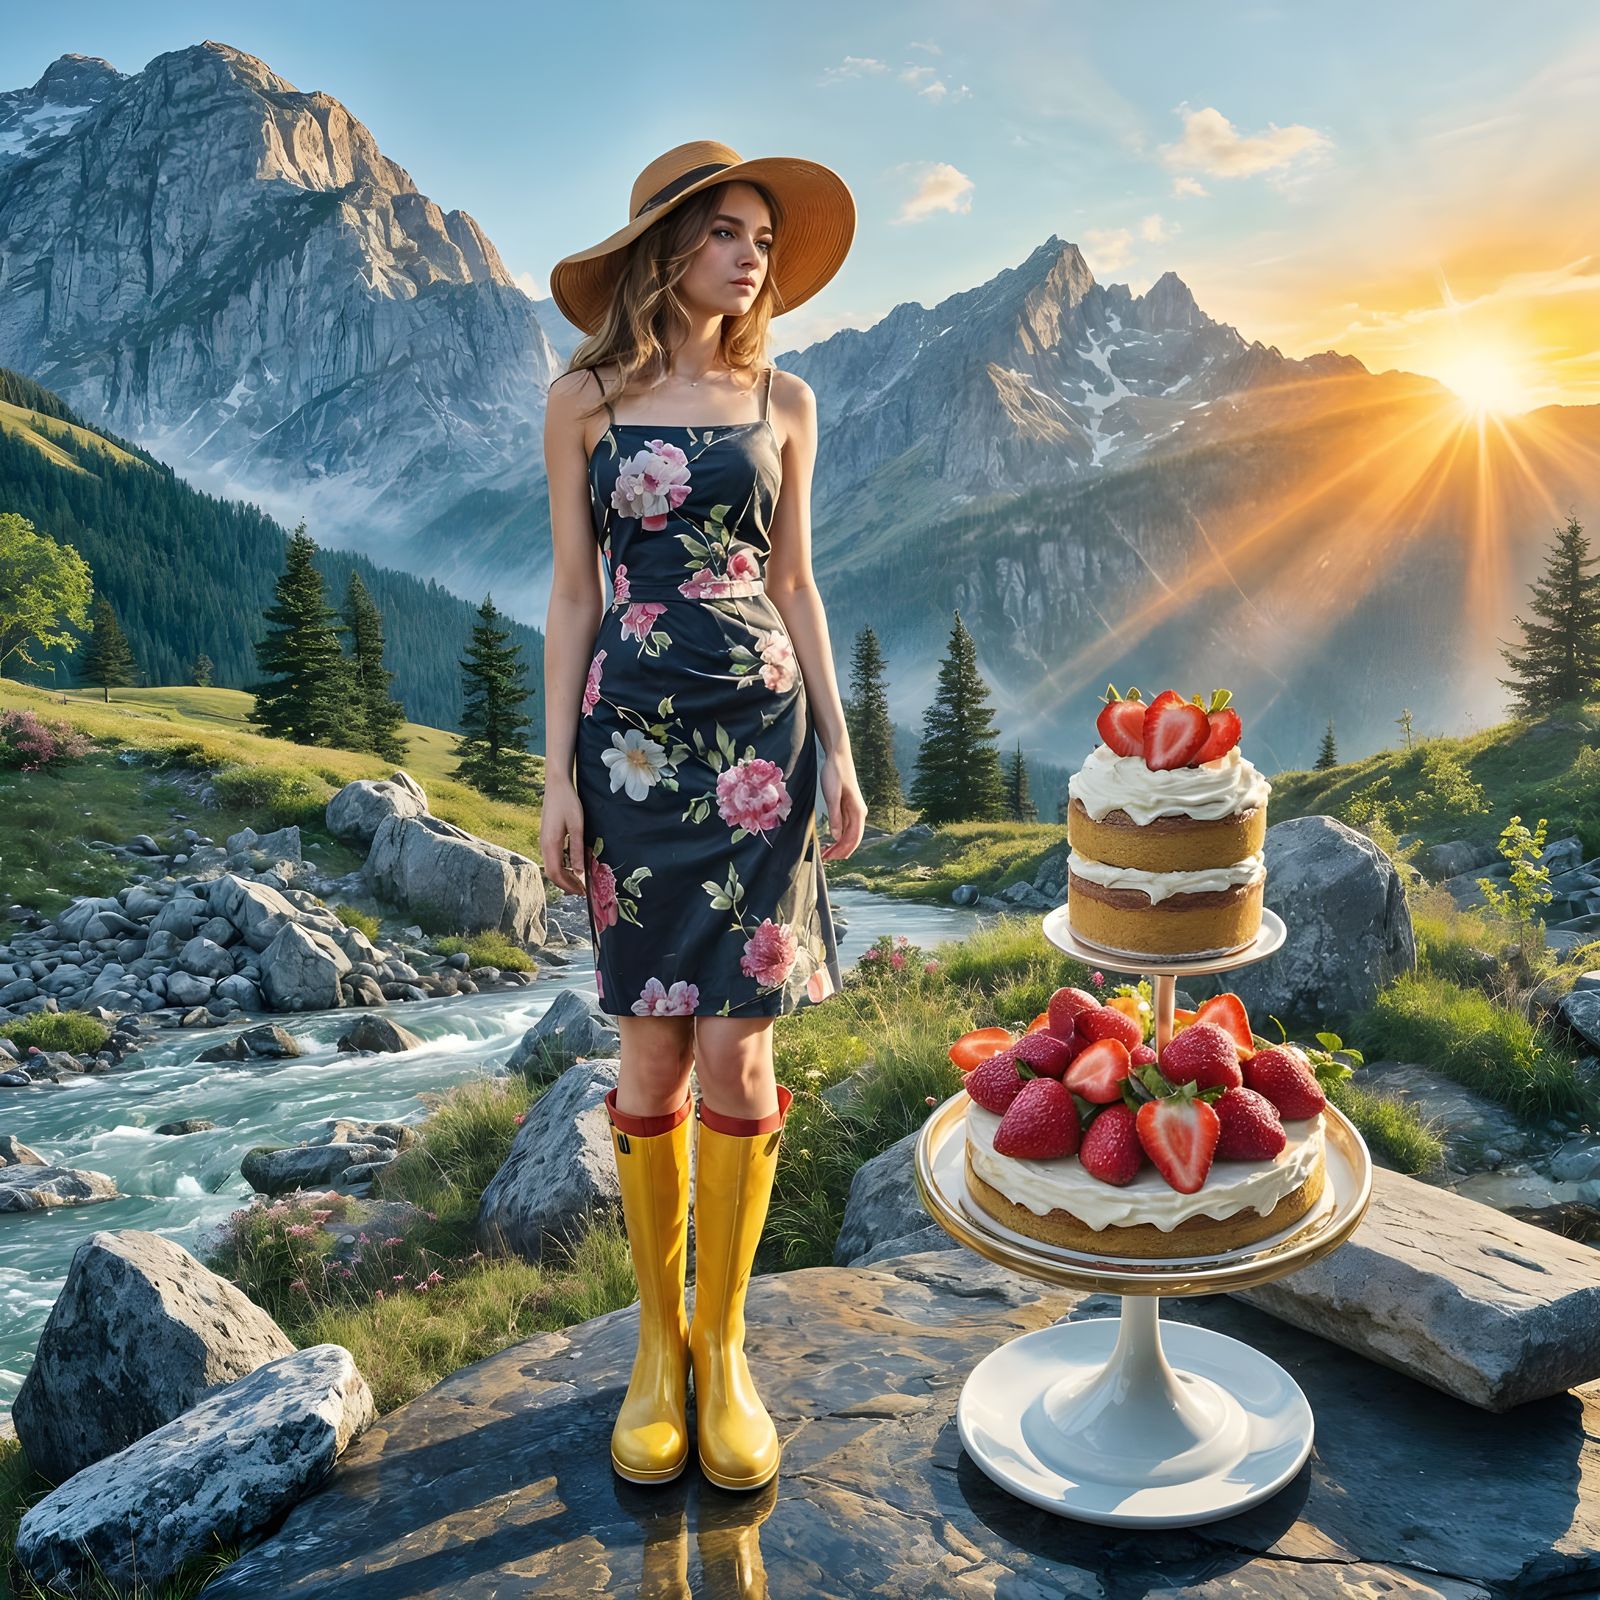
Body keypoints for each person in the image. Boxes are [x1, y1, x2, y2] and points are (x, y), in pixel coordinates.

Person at [541, 141, 867, 1492]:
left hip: (761, 752)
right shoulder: (584, 401)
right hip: (628, 755)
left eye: (762, 240)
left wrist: (838, 749)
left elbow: (796, 584)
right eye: (727, 232)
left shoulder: (785, 399)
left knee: (738, 1052)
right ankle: (654, 1348)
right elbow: (574, 593)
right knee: (650, 1055)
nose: (750, 258)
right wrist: (555, 776)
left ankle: (723, 1349)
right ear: (667, 248)